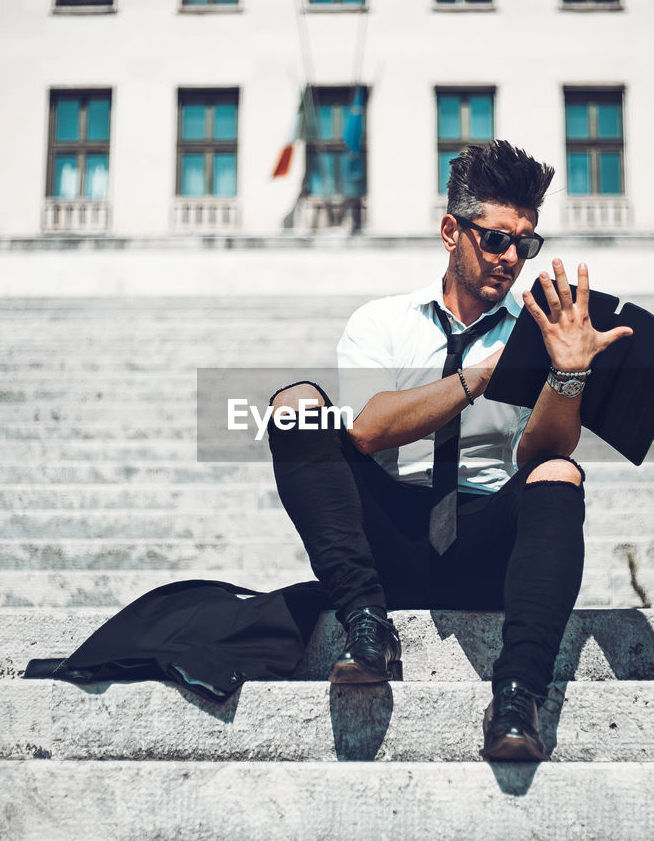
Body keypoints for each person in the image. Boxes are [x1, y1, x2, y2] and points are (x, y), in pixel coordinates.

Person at [267, 140, 632, 762]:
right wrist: (484, 375)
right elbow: (365, 428)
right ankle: (367, 628)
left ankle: (516, 697)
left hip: (485, 542)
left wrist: (565, 376)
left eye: (526, 243)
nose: (511, 258)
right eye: (496, 239)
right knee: (296, 403)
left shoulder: (538, 332)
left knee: (559, 470)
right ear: (451, 232)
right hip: (385, 546)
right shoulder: (382, 322)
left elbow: (538, 453)